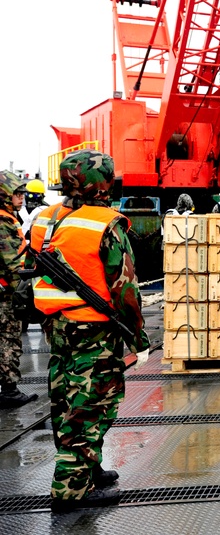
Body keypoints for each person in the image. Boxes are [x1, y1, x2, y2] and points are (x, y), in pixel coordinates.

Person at [25, 150, 149, 511]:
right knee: (90, 406)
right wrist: (138, 340)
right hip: (94, 330)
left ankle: (88, 469)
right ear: (103, 182)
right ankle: (70, 491)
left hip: (58, 326)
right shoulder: (104, 223)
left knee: (65, 397)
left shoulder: (45, 218)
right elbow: (125, 288)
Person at [0, 172, 35, 409]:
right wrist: (24, 292)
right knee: (9, 340)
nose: (21, 198)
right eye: (17, 194)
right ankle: (9, 391)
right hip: (6, 296)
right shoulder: (3, 224)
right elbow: (12, 264)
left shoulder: (9, 219)